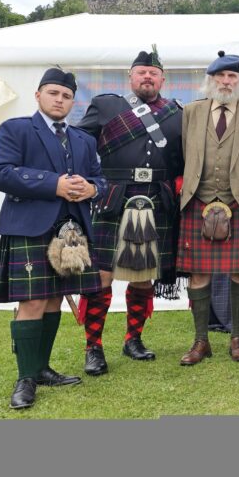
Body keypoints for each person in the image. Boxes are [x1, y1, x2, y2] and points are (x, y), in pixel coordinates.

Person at [0, 68, 106, 410]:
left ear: (73, 101)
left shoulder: (84, 140)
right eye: (53, 93)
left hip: (72, 233)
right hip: (30, 227)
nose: (60, 100)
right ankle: (25, 377)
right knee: (33, 302)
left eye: (67, 95)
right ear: (38, 95)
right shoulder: (16, 129)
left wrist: (93, 188)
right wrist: (52, 184)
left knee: (55, 297)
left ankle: (41, 368)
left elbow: (100, 179)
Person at [75, 47, 184, 374]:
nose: (147, 76)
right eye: (141, 72)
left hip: (157, 199)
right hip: (113, 197)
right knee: (101, 276)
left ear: (163, 79)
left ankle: (133, 338)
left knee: (143, 277)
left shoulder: (177, 113)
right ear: (130, 76)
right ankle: (93, 346)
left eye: (153, 73)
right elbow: (79, 144)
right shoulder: (107, 105)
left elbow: (185, 159)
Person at [177, 51, 239, 365]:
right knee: (198, 273)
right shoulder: (191, 112)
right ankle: (200, 341)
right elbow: (184, 154)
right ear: (211, 80)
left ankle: (237, 339)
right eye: (221, 76)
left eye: (233, 77)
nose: (227, 82)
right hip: (197, 201)